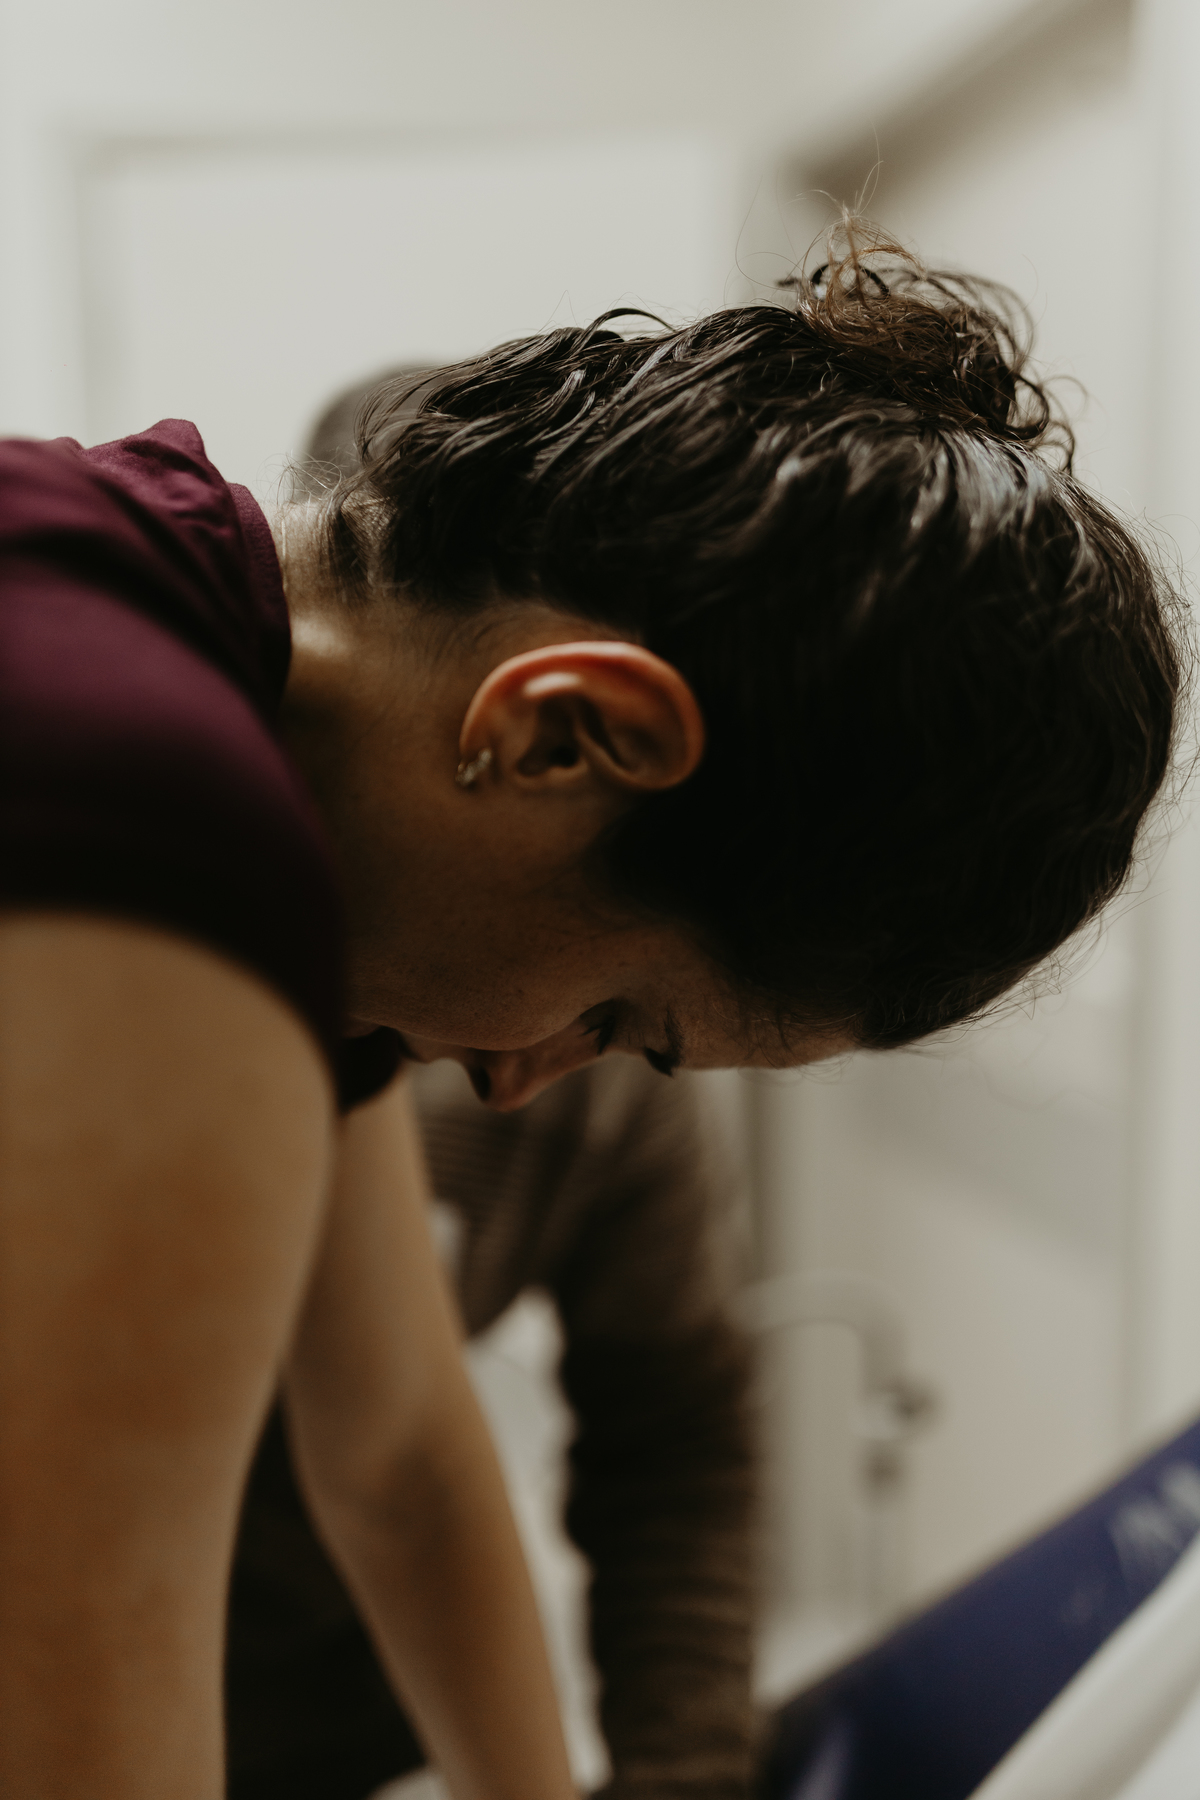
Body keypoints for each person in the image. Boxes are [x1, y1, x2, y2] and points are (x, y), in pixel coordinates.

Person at [0, 218, 1186, 1798]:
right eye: (621, 1017)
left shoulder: (143, 614)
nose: (516, 1081)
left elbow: (400, 1456)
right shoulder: (160, 822)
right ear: (564, 734)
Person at [227, 1058, 755, 1800]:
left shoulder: (624, 1088)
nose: (513, 1080)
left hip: (341, 1702)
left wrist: (682, 1781)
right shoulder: (306, 1043)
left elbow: (408, 1474)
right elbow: (398, 1475)